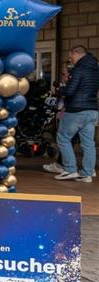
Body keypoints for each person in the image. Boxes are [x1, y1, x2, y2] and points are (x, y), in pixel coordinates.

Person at [46, 46, 97, 183]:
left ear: (77, 54)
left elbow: (70, 91)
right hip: (92, 110)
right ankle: (87, 173)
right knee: (88, 143)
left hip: (76, 110)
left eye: (71, 57)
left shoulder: (78, 69)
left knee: (62, 138)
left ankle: (69, 169)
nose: (70, 60)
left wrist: (58, 90)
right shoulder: (95, 69)